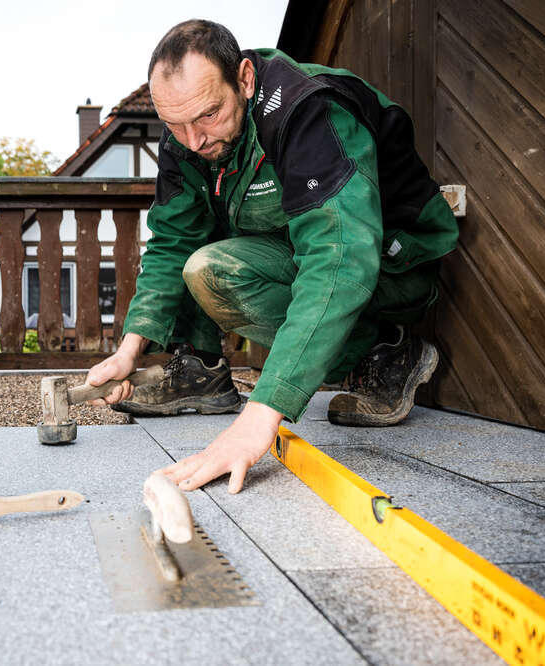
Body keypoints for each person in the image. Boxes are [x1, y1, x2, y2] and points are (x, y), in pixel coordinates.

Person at [85, 19, 459, 494]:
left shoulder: (309, 111)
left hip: (390, 264)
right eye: (175, 125)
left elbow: (338, 259)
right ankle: (203, 373)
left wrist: (259, 419)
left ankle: (385, 351)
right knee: (205, 266)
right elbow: (171, 239)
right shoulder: (189, 132)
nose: (192, 140)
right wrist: (128, 350)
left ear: (243, 79)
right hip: (296, 246)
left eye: (207, 116)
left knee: (228, 271)